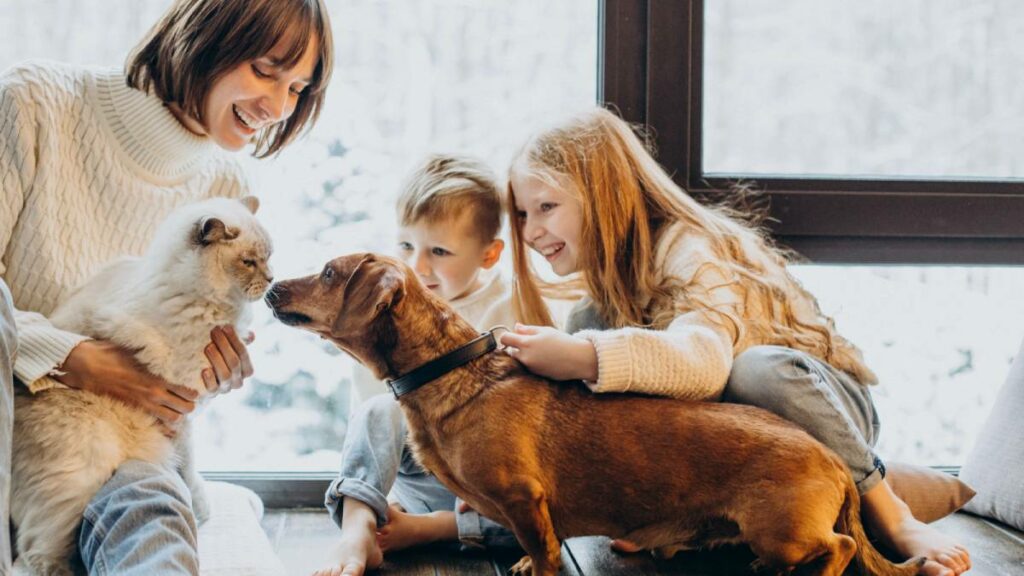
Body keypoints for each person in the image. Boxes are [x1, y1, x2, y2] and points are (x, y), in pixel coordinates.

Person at [497, 107, 971, 576]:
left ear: (605, 194)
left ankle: (890, 512)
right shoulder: (597, 304)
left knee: (755, 369)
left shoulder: (689, 247)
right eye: (521, 214)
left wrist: (583, 357)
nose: (531, 231)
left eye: (546, 207)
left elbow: (707, 364)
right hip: (745, 463)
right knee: (598, 358)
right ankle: (684, 526)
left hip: (822, 408)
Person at [0, 0, 333, 573]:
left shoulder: (226, 186)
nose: (279, 107)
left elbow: (164, 378)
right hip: (22, 430)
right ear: (205, 37)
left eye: (299, 89)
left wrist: (210, 373)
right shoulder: (35, 105)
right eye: (264, 70)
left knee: (149, 506)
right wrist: (71, 357)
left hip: (125, 452)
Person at [315, 154, 521, 576]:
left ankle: (433, 529)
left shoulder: (512, 308)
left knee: (549, 517)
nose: (418, 266)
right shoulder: (385, 307)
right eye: (406, 246)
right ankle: (358, 527)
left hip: (487, 488)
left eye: (440, 251)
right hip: (420, 476)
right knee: (378, 410)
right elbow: (376, 424)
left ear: (489, 254)